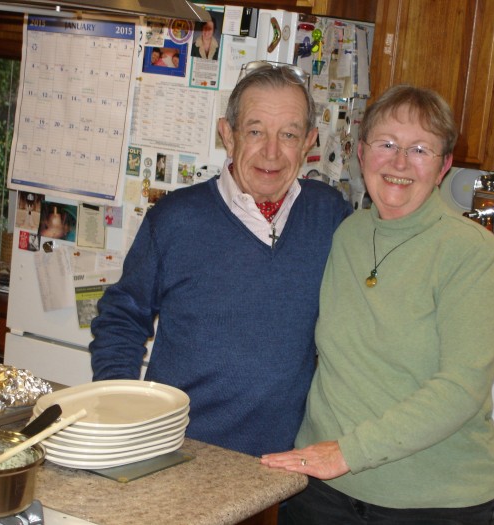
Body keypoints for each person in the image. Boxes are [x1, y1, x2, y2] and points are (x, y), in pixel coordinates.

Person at [261, 84, 494, 524]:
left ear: (444, 166)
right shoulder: (346, 235)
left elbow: (460, 389)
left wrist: (347, 452)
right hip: (322, 494)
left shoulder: (470, 252)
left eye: (420, 149)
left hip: (432, 502)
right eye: (387, 144)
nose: (400, 162)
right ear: (361, 154)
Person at [90, 62, 352, 458]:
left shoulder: (329, 215)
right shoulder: (176, 218)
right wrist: (119, 410)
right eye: (255, 131)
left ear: (308, 141)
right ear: (227, 135)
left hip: (284, 464)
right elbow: (121, 319)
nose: (271, 151)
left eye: (288, 135)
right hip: (179, 451)